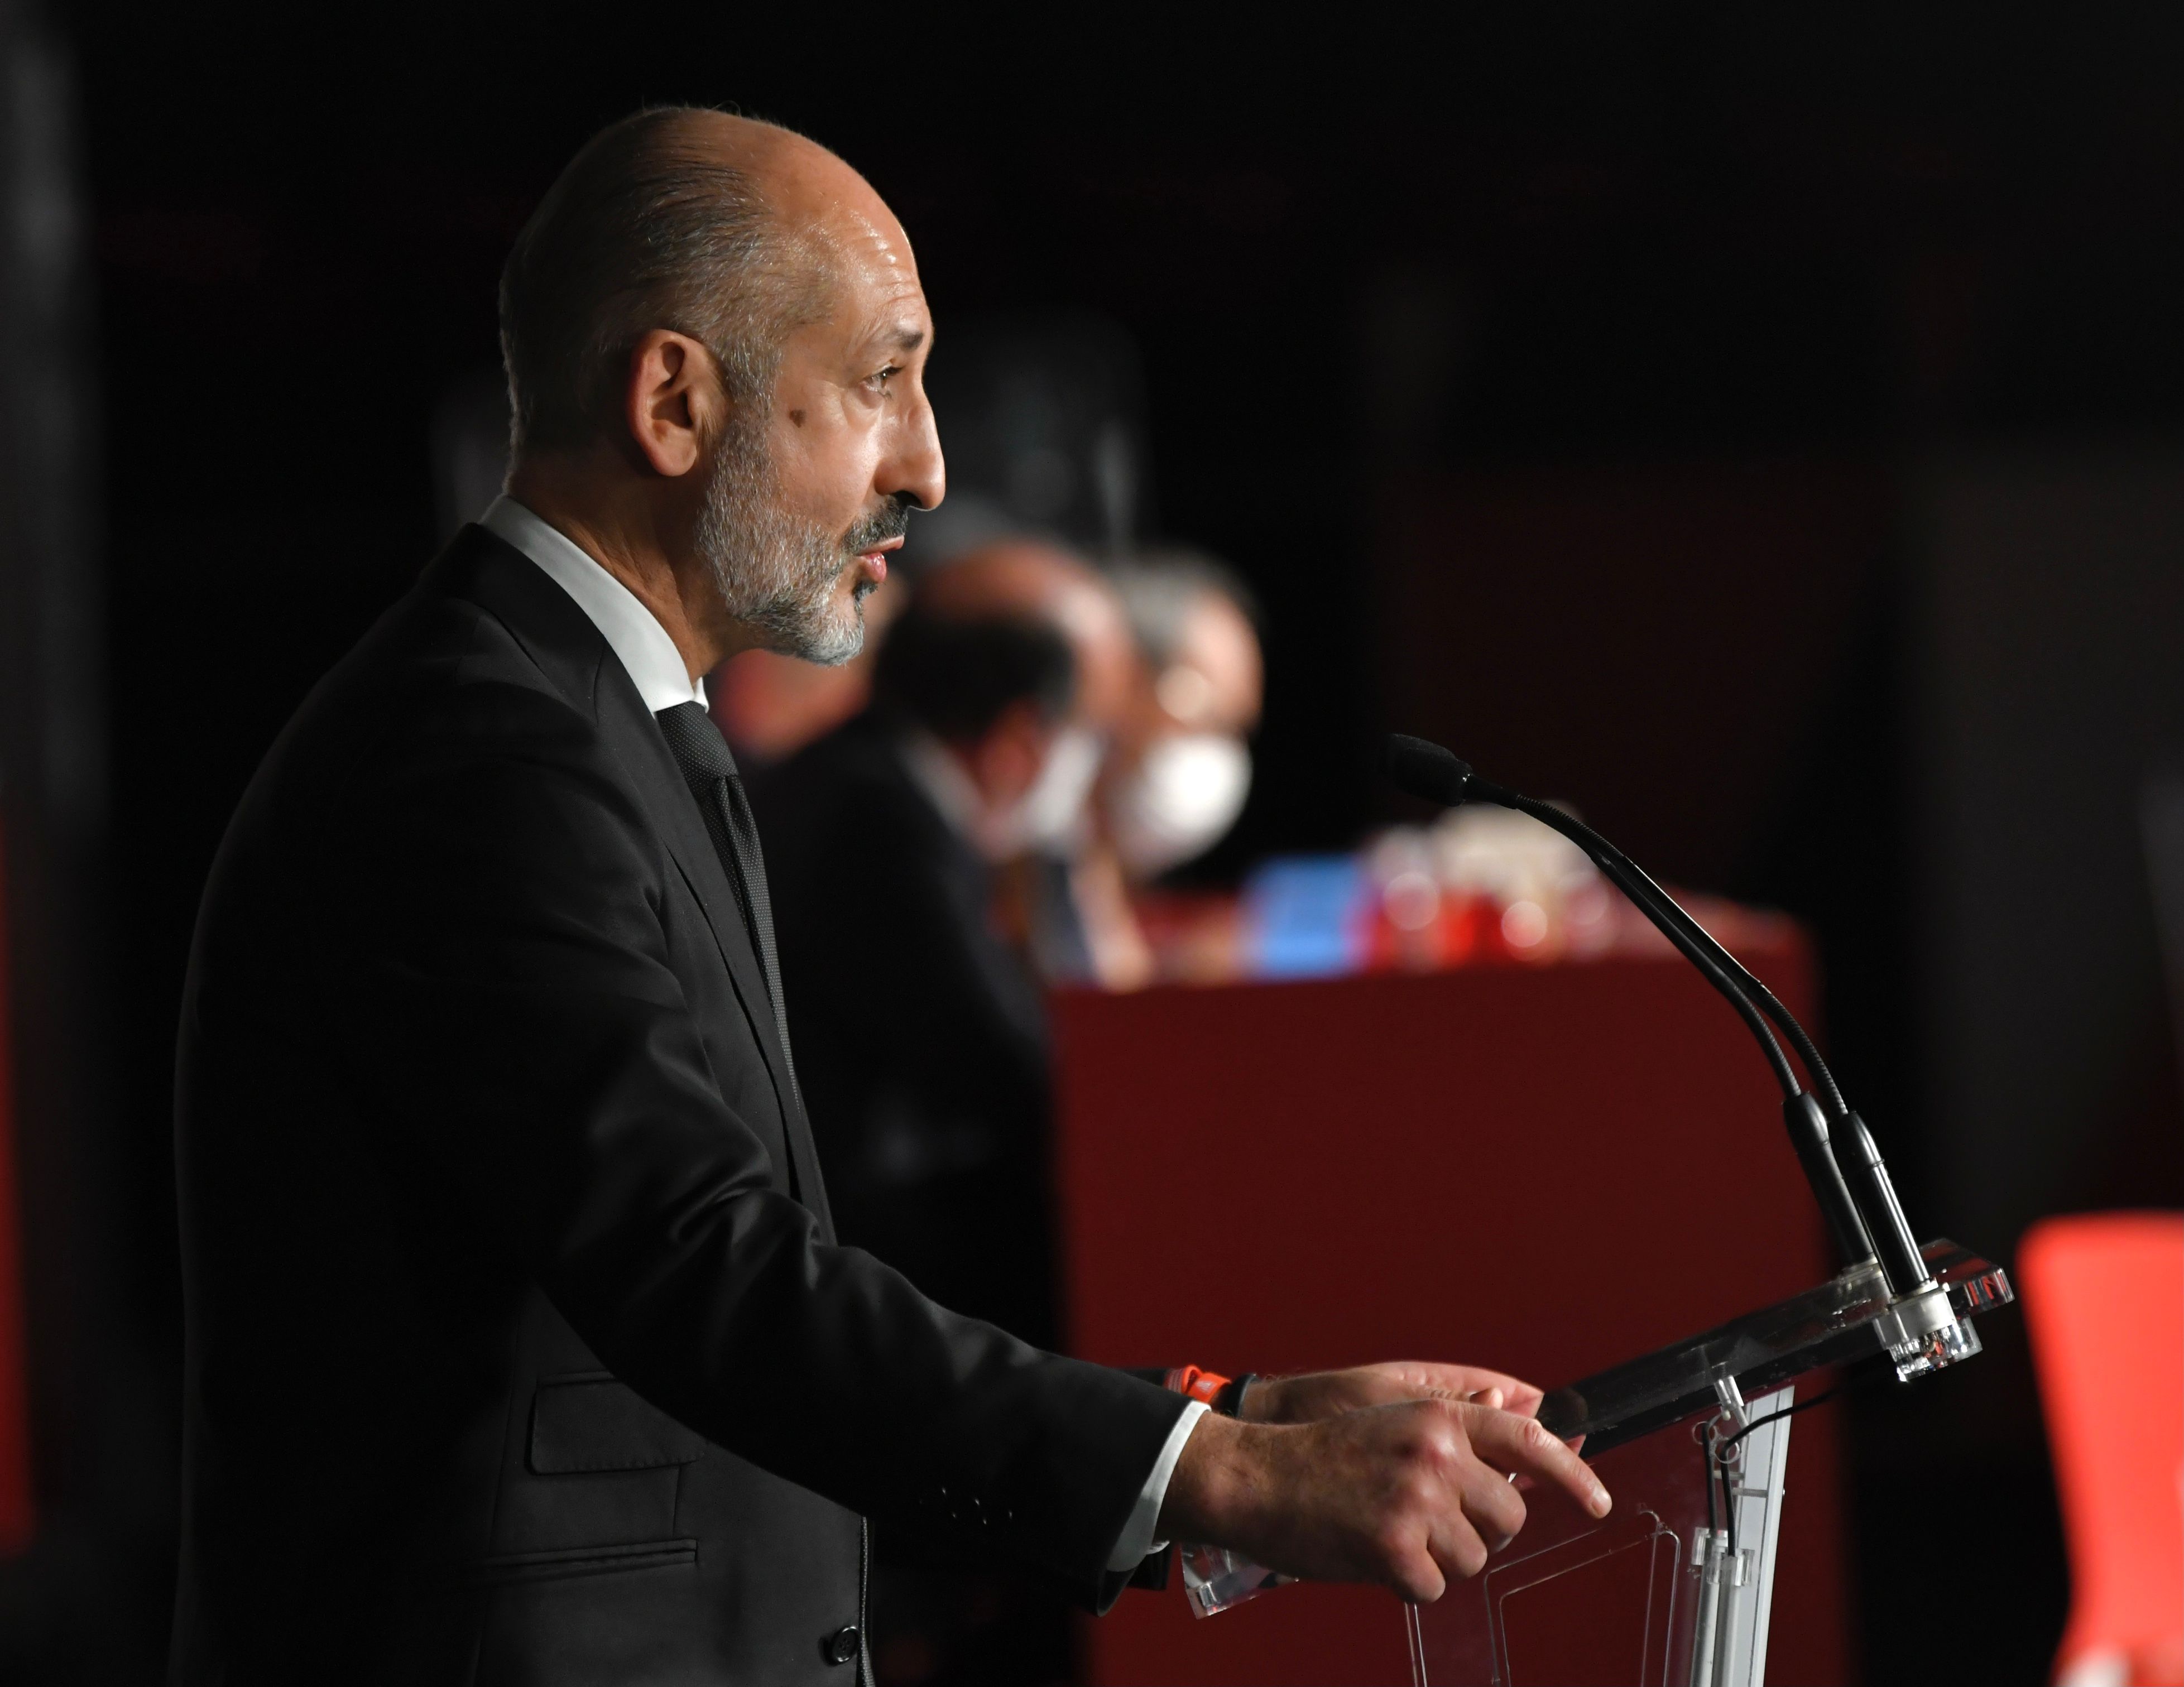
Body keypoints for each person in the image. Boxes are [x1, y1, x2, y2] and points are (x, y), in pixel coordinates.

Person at [169, 107, 1609, 1684]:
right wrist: (1219, 1473)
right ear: (673, 402)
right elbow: (703, 1274)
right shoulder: (481, 746)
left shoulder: (591, 720)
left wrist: (1238, 1416)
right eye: (878, 382)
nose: (925, 468)